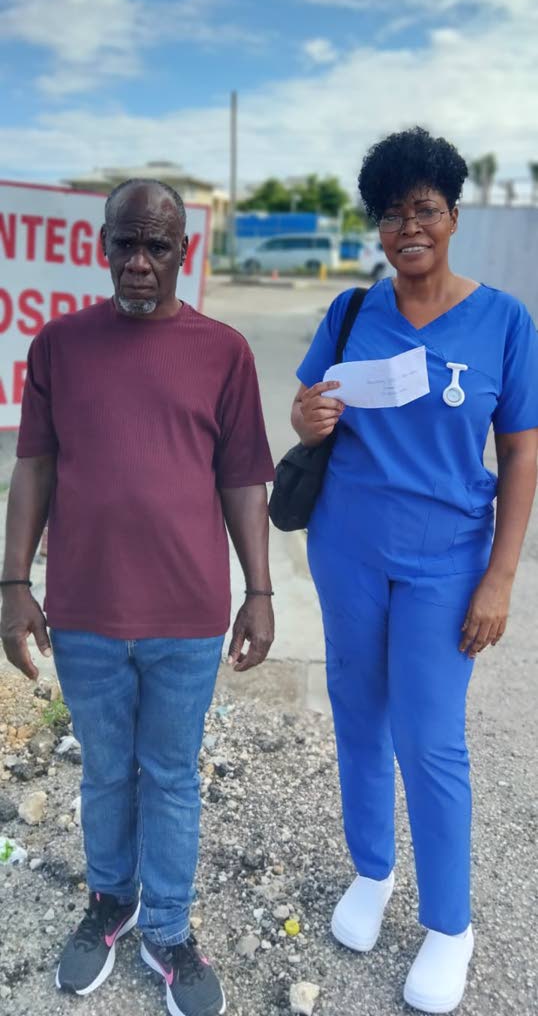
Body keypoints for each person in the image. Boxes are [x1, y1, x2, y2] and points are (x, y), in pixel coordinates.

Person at [1, 179, 275, 1016]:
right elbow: (35, 467)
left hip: (188, 614)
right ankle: (110, 901)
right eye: (127, 243)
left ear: (183, 254)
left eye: (159, 246)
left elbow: (242, 479)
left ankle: (167, 927)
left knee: (169, 775)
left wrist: (258, 590)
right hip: (83, 609)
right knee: (106, 770)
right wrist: (14, 582)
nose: (141, 262)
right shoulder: (58, 347)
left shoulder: (223, 351)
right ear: (102, 247)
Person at [291, 128, 538, 1014]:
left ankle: (450, 925)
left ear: (454, 216)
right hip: (348, 549)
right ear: (380, 227)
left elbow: (519, 455)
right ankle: (372, 872)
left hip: (446, 563)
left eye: (425, 208)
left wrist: (501, 577)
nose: (409, 226)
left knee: (430, 741)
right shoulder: (354, 312)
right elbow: (306, 402)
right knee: (358, 715)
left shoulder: (504, 321)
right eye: (393, 213)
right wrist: (310, 412)